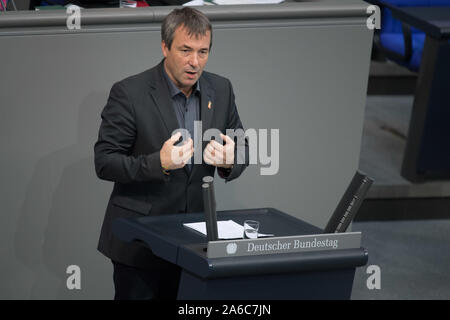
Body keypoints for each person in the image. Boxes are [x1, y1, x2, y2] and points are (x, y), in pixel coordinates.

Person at [94, 7, 248, 300]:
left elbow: (242, 146)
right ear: (165, 46)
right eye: (185, 50)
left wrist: (231, 160)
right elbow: (104, 161)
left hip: (195, 244)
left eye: (203, 52)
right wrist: (158, 163)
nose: (194, 62)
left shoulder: (222, 89)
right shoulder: (130, 93)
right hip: (140, 247)